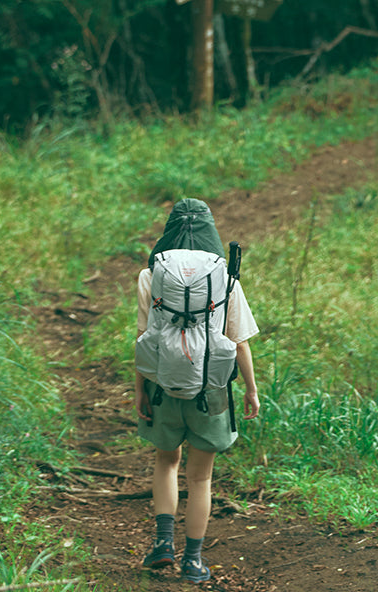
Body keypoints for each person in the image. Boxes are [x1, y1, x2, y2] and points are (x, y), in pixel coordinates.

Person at [134, 198, 260, 584]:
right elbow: (238, 343)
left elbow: (143, 337)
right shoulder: (226, 278)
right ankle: (192, 560)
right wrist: (252, 392)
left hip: (161, 384)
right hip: (211, 389)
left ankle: (162, 544)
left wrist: (140, 389)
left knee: (166, 462)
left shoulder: (150, 274)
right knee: (201, 478)